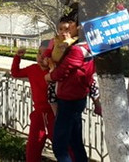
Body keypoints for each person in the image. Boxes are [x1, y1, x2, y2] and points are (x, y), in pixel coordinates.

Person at [46, 15, 90, 162]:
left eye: (72, 25)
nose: (68, 29)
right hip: (77, 96)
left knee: (59, 145)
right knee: (75, 141)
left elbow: (65, 69)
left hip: (69, 97)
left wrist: (49, 77)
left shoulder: (77, 48)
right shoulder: (87, 45)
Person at [11, 41, 56, 162]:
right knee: (33, 147)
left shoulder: (55, 72)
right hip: (38, 115)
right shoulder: (32, 69)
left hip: (54, 115)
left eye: (46, 54)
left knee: (61, 147)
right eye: (39, 53)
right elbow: (15, 73)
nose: (41, 57)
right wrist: (17, 57)